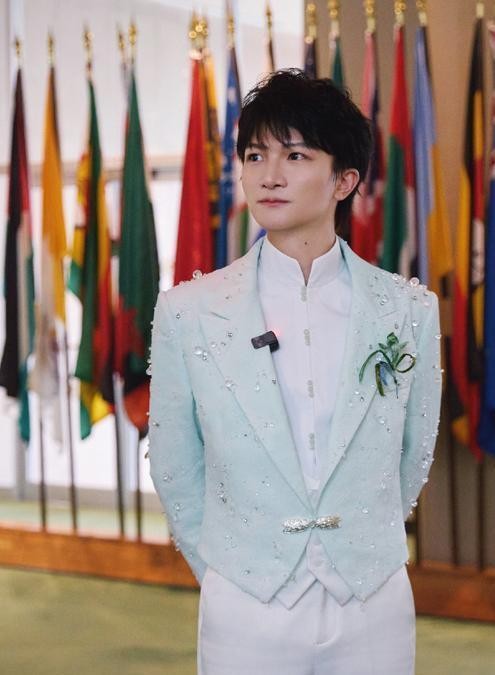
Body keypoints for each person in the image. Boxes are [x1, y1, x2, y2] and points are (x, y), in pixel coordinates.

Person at [148, 69, 442, 675]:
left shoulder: (407, 310)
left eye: (296, 155)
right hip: (246, 601)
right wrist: (230, 569)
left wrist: (359, 536)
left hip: (372, 598)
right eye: (255, 156)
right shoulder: (188, 312)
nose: (269, 175)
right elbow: (176, 464)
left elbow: (412, 452)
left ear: (344, 180)